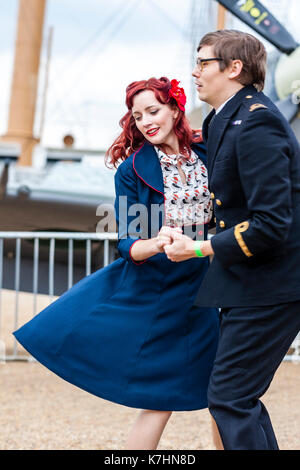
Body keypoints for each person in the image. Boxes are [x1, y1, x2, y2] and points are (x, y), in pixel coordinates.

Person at [13, 77, 220, 450]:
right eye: (137, 115)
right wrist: (158, 242)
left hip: (207, 288)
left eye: (153, 111)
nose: (145, 121)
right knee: (159, 401)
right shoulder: (131, 170)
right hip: (158, 292)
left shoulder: (210, 154)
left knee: (226, 397)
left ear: (175, 109)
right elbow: (127, 244)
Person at [163, 30, 300, 450]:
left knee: (230, 397)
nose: (194, 71)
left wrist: (200, 248)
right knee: (237, 397)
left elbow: (272, 223)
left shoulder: (256, 120)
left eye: (203, 62)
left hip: (271, 284)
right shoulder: (223, 117)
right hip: (247, 280)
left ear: (234, 68)